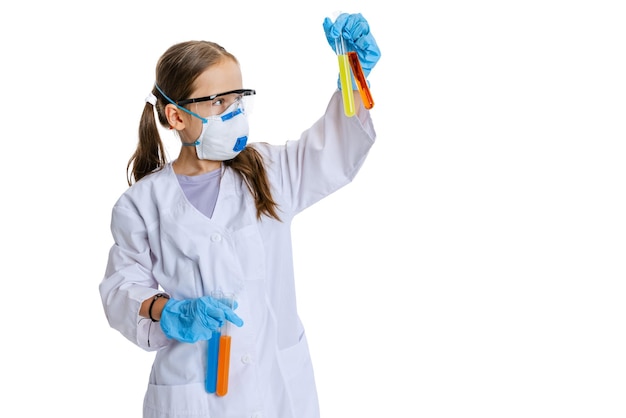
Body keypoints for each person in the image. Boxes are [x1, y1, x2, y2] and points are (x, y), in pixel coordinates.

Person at [99, 12, 380, 418]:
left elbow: (334, 150)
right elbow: (120, 288)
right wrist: (167, 311)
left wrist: (351, 75)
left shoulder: (268, 171)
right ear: (177, 116)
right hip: (194, 390)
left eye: (237, 98)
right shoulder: (142, 204)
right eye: (217, 101)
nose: (234, 112)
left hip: (277, 385)